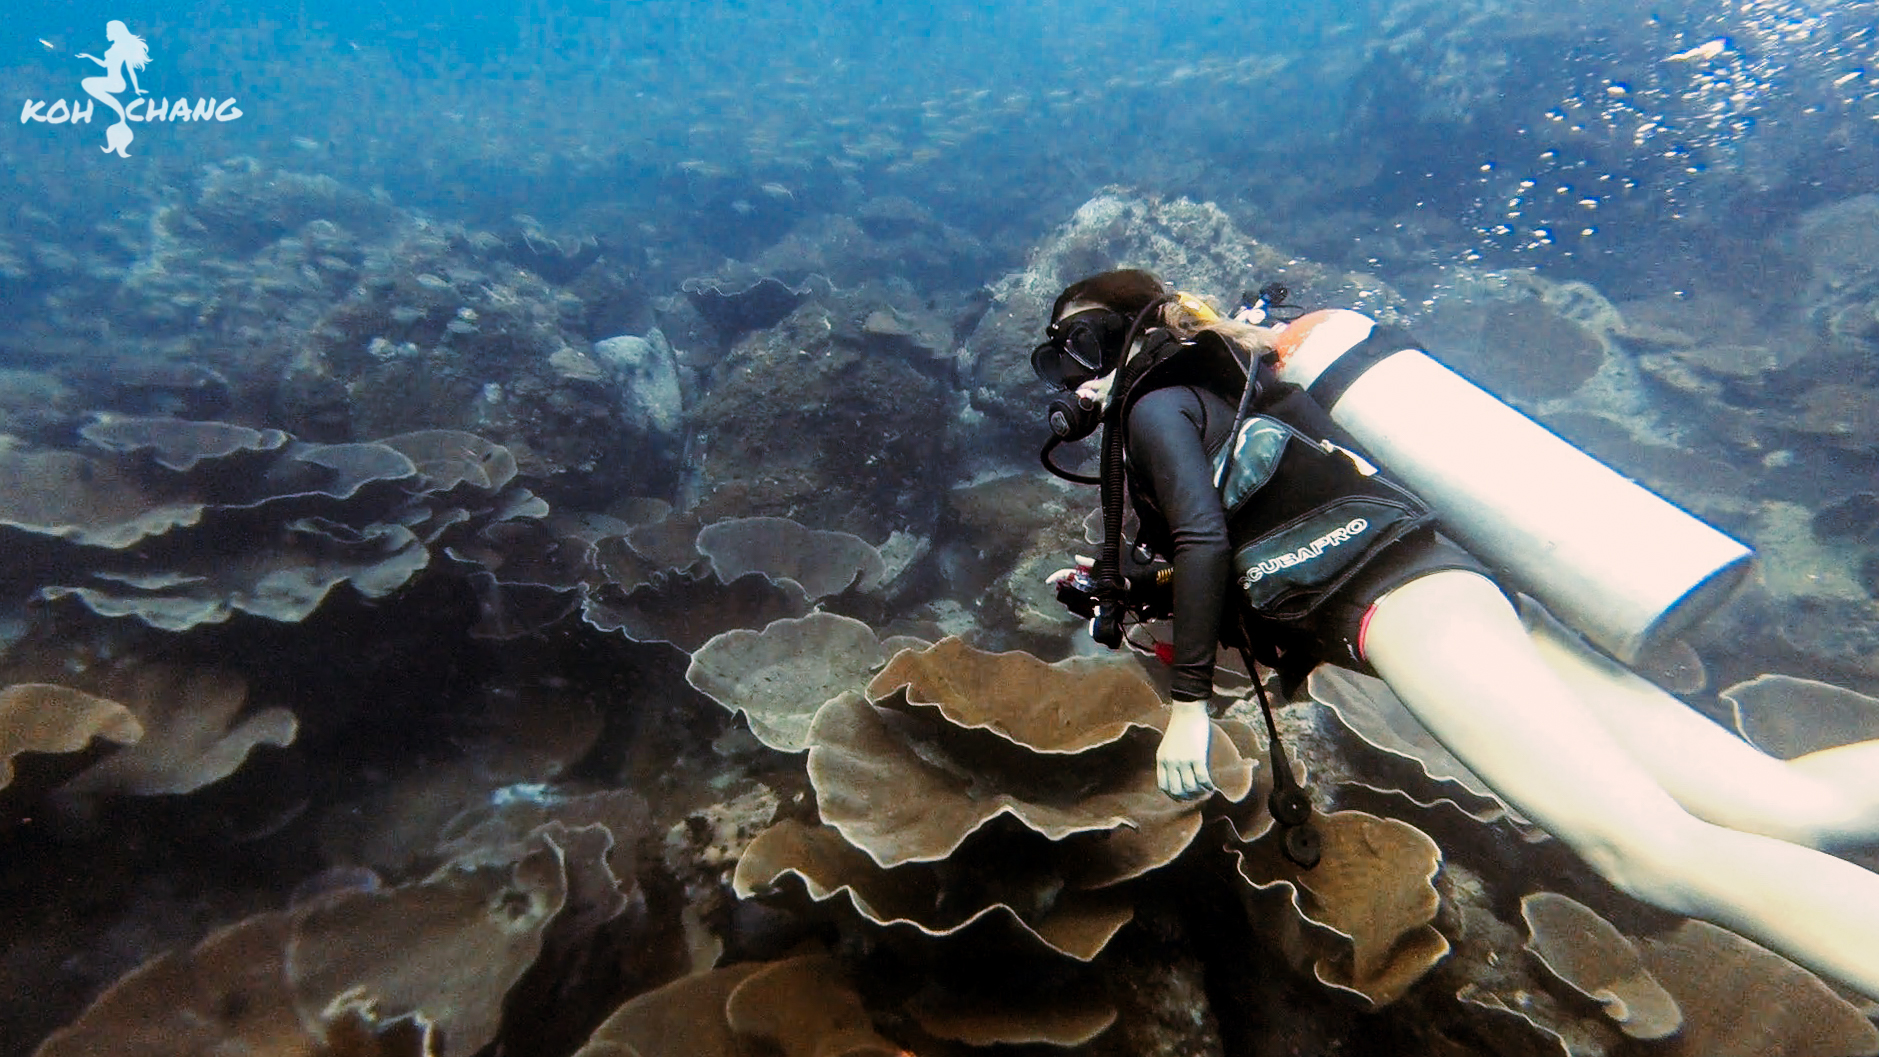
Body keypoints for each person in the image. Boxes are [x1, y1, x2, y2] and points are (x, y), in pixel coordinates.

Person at [1031, 268, 1879, 997]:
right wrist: (1136, 589)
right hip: (1467, 590)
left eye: (1067, 356)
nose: (1065, 386)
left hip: (1405, 615)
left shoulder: (1153, 409)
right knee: (1784, 804)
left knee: (1653, 855)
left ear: (1113, 342)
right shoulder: (1236, 385)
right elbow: (1257, 530)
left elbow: (1206, 541)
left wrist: (1187, 707)